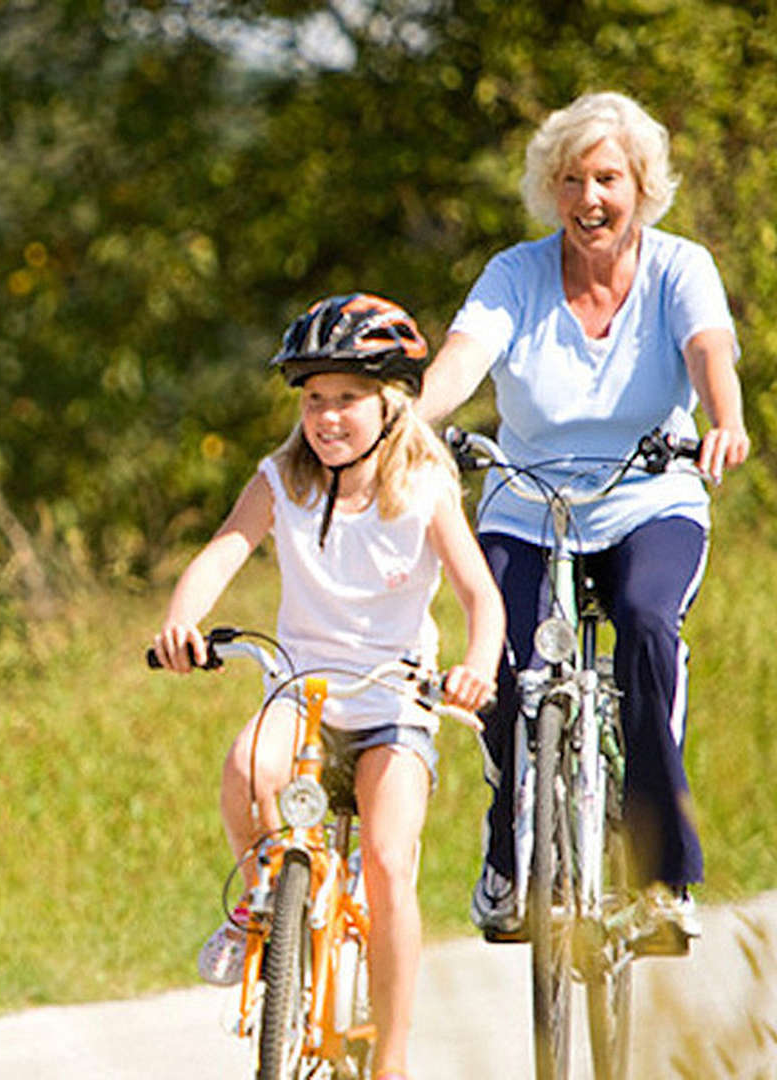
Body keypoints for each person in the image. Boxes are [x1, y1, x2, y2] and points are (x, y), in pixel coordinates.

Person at [416, 91, 749, 946]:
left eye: (607, 178)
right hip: (527, 500)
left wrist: (726, 420)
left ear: (641, 185)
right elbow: (464, 354)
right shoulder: (516, 274)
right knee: (500, 659)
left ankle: (663, 877)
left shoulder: (681, 267)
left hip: (650, 495)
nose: (588, 198)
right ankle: (507, 853)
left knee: (643, 624)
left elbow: (709, 348)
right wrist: (416, 421)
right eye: (571, 180)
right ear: (550, 190)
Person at [152, 294, 504, 1080]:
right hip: (302, 690)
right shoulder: (282, 478)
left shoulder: (424, 484)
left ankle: (392, 1055)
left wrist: (477, 665)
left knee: (386, 859)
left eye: (347, 398)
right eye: (315, 399)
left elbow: (481, 596)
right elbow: (222, 550)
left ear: (391, 404)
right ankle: (261, 909)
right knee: (247, 772)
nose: (328, 416)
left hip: (394, 702)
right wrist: (182, 619)